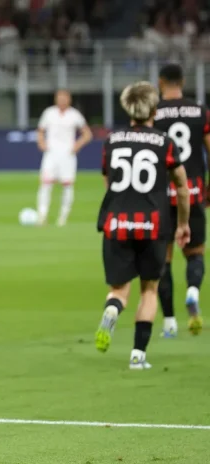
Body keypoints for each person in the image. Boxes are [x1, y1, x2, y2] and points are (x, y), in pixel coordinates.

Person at [94, 81, 190, 370]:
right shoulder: (164, 142)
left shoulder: (112, 141)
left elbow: (108, 182)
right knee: (149, 290)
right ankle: (138, 356)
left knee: (119, 290)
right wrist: (183, 223)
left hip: (117, 224)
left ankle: (112, 310)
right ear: (154, 110)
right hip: (153, 225)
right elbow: (182, 187)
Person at [153, 63, 210, 337]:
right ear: (183, 81)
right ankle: (193, 291)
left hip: (161, 195)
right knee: (195, 252)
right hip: (193, 190)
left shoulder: (154, 112)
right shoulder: (200, 111)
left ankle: (169, 323)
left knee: (163, 259)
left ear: (160, 82)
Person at [36, 89, 93, 226]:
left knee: (67, 185)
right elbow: (40, 131)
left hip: (67, 155)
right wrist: (41, 142)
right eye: (59, 97)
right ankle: (42, 216)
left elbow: (87, 134)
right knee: (45, 184)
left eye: (64, 98)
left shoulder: (74, 115)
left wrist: (77, 145)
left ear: (69, 99)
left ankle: (62, 218)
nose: (62, 100)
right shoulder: (49, 113)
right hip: (51, 153)